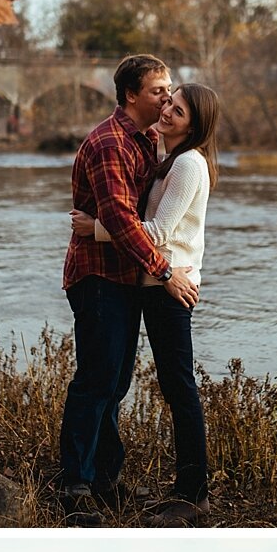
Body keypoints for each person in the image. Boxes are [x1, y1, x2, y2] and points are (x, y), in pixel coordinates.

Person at [75, 78, 219, 524]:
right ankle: (182, 488)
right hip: (158, 286)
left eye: (178, 110)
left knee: (180, 388)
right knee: (172, 387)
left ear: (194, 126)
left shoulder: (188, 165)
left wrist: (94, 228)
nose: (167, 111)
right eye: (168, 102)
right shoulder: (167, 158)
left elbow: (156, 232)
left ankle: (193, 494)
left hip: (170, 288)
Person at [54, 50, 188, 525]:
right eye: (158, 90)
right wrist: (166, 273)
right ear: (132, 95)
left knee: (117, 381)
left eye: (169, 89)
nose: (167, 96)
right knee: (96, 381)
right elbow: (120, 218)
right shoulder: (110, 142)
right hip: (98, 277)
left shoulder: (148, 140)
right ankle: (74, 484)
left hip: (124, 277)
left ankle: (107, 478)